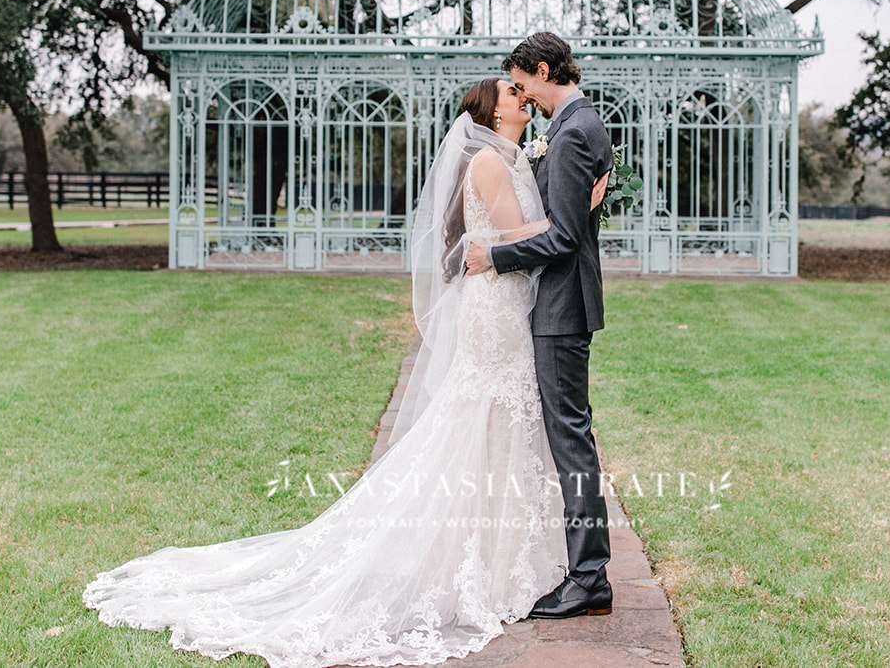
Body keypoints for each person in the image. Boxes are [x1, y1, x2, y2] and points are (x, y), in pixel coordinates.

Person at [83, 77, 606, 666]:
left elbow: (522, 228)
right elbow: (519, 234)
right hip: (496, 313)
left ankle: (501, 552)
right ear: (490, 111)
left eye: (522, 89)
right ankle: (477, 559)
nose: (522, 98)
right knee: (487, 418)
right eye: (512, 93)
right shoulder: (488, 161)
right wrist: (577, 212)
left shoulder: (509, 158)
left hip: (509, 306)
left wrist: (564, 206)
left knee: (502, 423)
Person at [464, 32, 615, 620]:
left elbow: (562, 236)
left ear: (543, 69)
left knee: (570, 440)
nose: (523, 95)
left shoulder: (575, 130)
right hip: (551, 302)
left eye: (523, 83)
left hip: (560, 306)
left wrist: (494, 257)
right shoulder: (574, 127)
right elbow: (568, 220)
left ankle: (588, 578)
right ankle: (583, 570)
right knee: (567, 436)